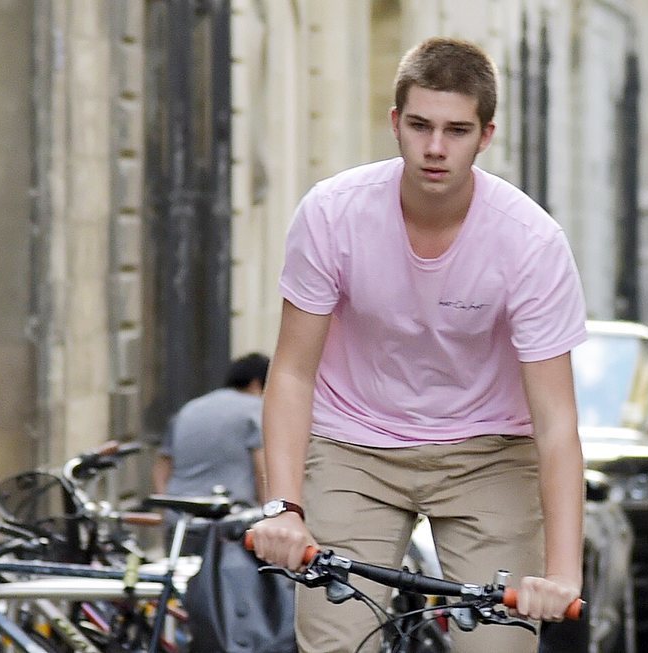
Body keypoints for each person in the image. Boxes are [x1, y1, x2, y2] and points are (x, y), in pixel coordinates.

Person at [247, 36, 586, 653]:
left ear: (486, 136)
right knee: (335, 644)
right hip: (354, 450)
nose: (435, 148)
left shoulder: (530, 242)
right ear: (395, 123)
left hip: (487, 455)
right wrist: (282, 506)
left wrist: (562, 573)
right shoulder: (332, 214)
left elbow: (557, 420)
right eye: (421, 126)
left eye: (457, 130)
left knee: (498, 647)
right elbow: (292, 373)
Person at [153, 352, 270, 554]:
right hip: (231, 522)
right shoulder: (256, 410)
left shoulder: (190, 409)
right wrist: (271, 512)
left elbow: (162, 466)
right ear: (258, 382)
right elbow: (263, 469)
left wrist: (166, 509)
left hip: (181, 518)